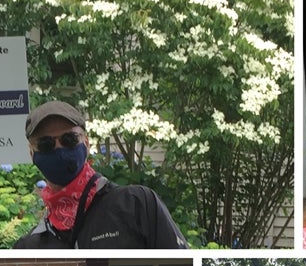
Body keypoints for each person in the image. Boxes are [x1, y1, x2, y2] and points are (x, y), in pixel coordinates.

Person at [14, 101, 188, 249]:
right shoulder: (29, 247)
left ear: (87, 144)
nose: (59, 148)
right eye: (46, 144)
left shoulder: (136, 205)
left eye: (69, 139)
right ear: (31, 153)